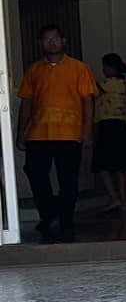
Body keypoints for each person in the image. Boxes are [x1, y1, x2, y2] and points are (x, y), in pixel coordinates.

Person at [16, 24, 97, 242]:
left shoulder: (79, 68)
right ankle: (49, 213)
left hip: (69, 133)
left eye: (55, 39)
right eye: (46, 39)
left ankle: (66, 219)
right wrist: (21, 133)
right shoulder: (34, 70)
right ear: (40, 43)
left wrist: (88, 131)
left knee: (68, 179)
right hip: (38, 133)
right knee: (35, 173)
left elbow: (87, 101)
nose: (51, 43)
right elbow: (26, 103)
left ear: (64, 41)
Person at [92, 53, 126, 214]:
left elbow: (94, 90)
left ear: (112, 68)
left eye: (105, 67)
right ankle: (122, 201)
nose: (103, 70)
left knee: (104, 166)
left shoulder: (111, 83)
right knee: (120, 167)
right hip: (120, 127)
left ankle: (114, 197)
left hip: (108, 126)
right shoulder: (123, 82)